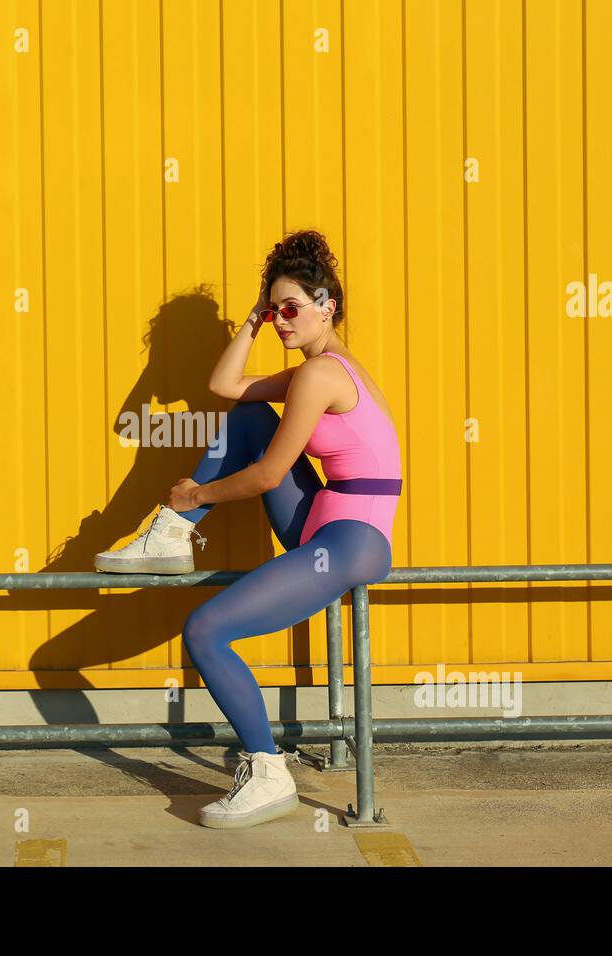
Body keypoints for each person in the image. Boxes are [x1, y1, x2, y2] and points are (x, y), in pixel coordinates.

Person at [95, 229, 403, 828]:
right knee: (247, 415)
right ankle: (172, 533)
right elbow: (225, 386)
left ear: (326, 306)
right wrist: (252, 322)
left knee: (206, 630)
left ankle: (267, 772)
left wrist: (196, 491)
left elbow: (267, 477)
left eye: (292, 309)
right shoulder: (319, 367)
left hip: (348, 541)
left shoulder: (322, 376)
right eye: (275, 310)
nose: (283, 321)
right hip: (323, 518)